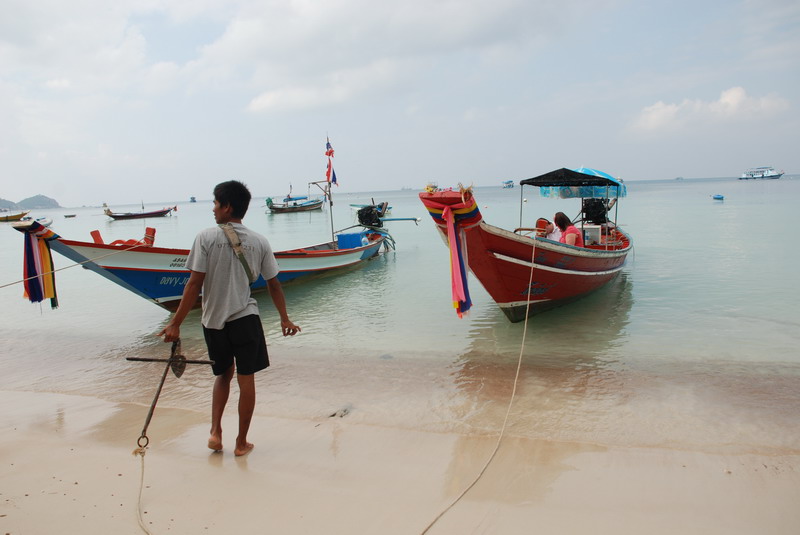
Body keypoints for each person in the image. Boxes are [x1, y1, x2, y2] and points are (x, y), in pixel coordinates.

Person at [158, 180, 301, 456]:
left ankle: (215, 432)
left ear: (227, 207)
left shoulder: (205, 237)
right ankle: (241, 443)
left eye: (215, 203)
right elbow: (274, 284)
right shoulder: (259, 241)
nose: (213, 209)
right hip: (245, 318)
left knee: (223, 375)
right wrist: (285, 319)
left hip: (213, 321)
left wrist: (175, 322)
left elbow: (194, 284)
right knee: (246, 380)